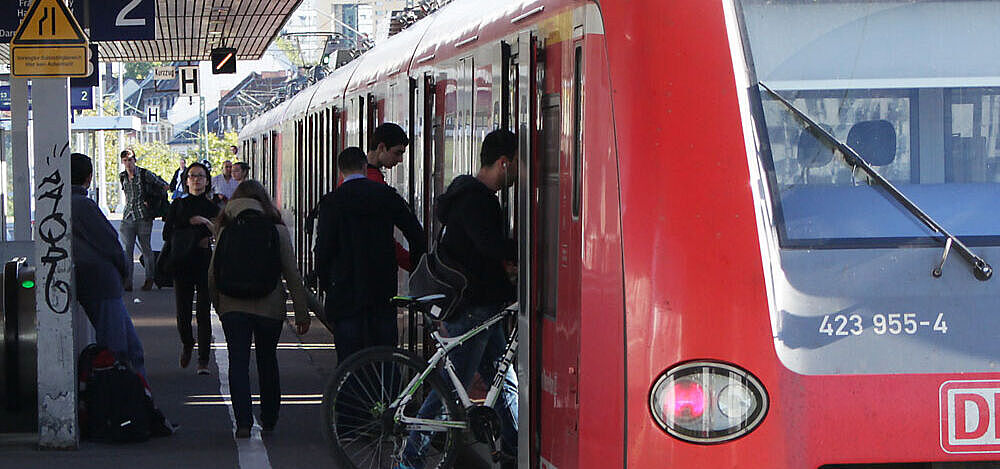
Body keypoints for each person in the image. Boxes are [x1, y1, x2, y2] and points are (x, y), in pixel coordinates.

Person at [400, 129, 519, 469]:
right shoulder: (477, 201)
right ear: (504, 163)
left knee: (501, 377)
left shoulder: (469, 195)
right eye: (519, 165)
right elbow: (488, 247)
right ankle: (411, 460)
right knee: (449, 391)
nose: (520, 174)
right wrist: (527, 251)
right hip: (473, 308)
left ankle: (514, 448)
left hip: (483, 306)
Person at [208, 180, 311, 438]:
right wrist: (301, 311)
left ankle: (243, 422)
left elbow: (212, 272)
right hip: (270, 306)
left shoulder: (225, 228)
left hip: (233, 306)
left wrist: (219, 305)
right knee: (267, 361)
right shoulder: (276, 228)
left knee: (238, 362)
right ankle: (270, 419)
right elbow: (291, 273)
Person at [315, 147, 426, 363]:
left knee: (349, 363)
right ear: (365, 167)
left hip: (345, 294)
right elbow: (415, 233)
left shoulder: (331, 202)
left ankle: (350, 396)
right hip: (381, 291)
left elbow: (323, 251)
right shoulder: (386, 196)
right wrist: (416, 269)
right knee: (386, 358)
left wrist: (329, 285)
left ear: (340, 171)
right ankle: (388, 396)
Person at [71, 153, 147, 378]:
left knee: (129, 348)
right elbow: (111, 244)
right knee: (120, 350)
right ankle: (129, 403)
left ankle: (137, 399)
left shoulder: (61, 204)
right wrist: (124, 269)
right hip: (102, 283)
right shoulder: (83, 205)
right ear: (89, 177)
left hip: (90, 283)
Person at [163, 162, 219, 375]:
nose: (196, 179)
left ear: (207, 181)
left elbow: (220, 232)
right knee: (183, 312)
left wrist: (206, 222)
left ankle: (203, 360)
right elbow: (167, 233)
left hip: (205, 262)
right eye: (192, 176)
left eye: (201, 176)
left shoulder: (214, 206)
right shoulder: (178, 205)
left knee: (203, 312)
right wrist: (189, 224)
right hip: (182, 262)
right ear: (186, 181)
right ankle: (188, 342)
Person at [119, 149, 169, 291]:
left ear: (135, 160)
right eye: (125, 160)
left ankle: (150, 278)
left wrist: (153, 200)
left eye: (130, 159)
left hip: (144, 216)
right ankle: (128, 281)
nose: (128, 163)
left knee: (146, 249)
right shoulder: (122, 176)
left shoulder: (144, 174)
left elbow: (164, 185)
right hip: (128, 216)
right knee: (127, 250)